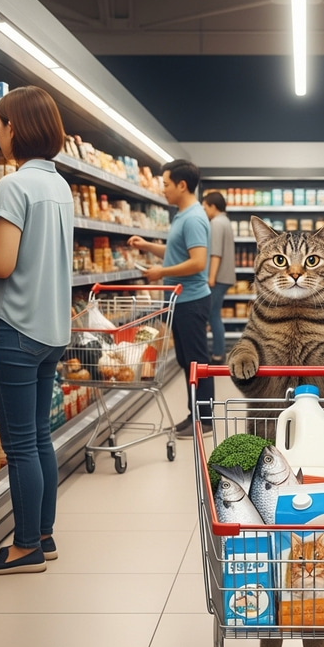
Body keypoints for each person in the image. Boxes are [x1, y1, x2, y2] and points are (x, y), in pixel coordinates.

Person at [0, 86, 74, 574]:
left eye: (0, 123)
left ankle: (25, 548)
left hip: (16, 328)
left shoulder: (14, 185)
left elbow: (2, 264)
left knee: (20, 443)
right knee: (39, 437)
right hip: (50, 331)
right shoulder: (59, 186)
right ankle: (43, 535)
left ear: (15, 128)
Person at [128, 159, 214, 438]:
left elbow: (198, 262)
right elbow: (177, 253)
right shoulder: (182, 215)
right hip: (180, 300)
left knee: (196, 362)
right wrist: (147, 246)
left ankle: (205, 420)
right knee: (186, 360)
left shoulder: (194, 218)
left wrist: (161, 273)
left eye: (165, 184)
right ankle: (195, 416)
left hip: (191, 300)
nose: (162, 189)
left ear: (182, 185)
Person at [202, 191, 236, 364]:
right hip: (226, 276)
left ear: (213, 206)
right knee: (214, 314)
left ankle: (218, 354)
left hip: (218, 276)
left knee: (212, 315)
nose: (204, 210)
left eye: (205, 207)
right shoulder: (226, 221)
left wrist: (211, 277)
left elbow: (215, 253)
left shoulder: (216, 223)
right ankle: (217, 351)